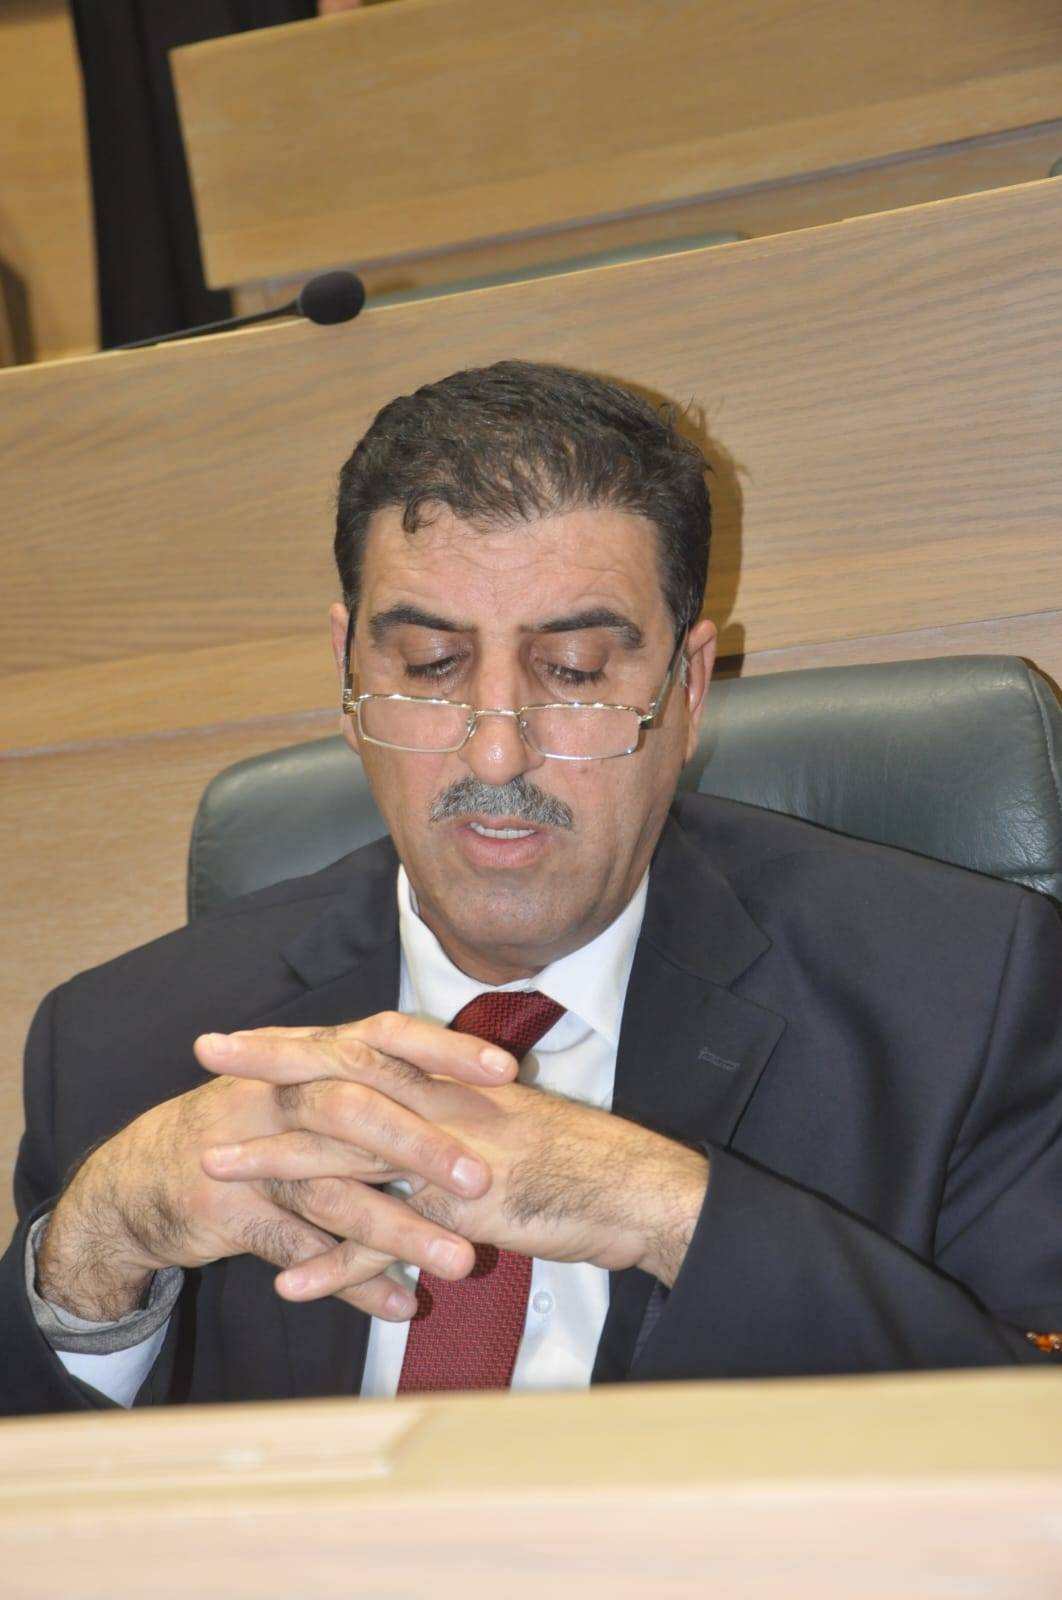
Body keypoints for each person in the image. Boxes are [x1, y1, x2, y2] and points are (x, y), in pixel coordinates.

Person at [4, 360, 1060, 1415]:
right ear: (349, 674)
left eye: (576, 672)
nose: (497, 753)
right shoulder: (122, 1044)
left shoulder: (965, 1002)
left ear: (687, 689)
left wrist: (668, 1212)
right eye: (431, 666)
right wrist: (95, 1249)